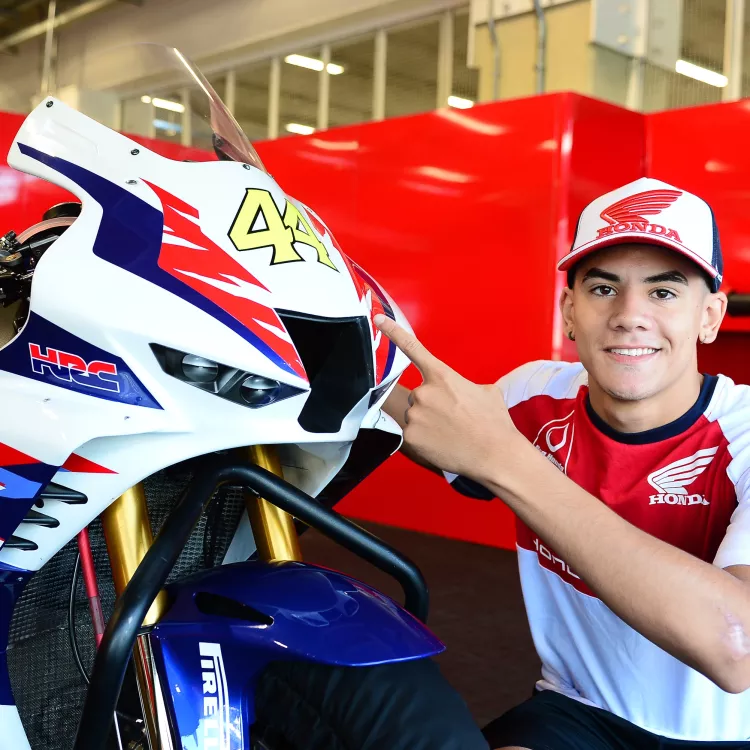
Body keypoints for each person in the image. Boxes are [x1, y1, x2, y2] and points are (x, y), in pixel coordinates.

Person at [377, 177, 750, 750]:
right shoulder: (534, 394)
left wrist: (510, 463)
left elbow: (736, 647)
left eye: (663, 292)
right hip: (580, 709)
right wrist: (315, 359)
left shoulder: (741, 433)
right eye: (603, 288)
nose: (629, 315)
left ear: (710, 316)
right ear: (570, 311)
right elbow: (434, 425)